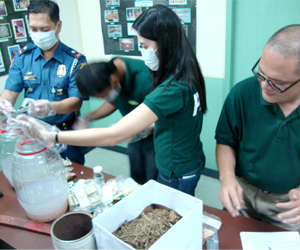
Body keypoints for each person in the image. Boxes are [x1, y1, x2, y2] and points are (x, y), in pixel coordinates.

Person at [12, 5, 207, 196]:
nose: (142, 51)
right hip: (182, 157)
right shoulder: (183, 71)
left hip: (177, 167)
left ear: (165, 43)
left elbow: (113, 135)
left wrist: (51, 135)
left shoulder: (171, 87)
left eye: (145, 46)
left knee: (171, 212)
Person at [215, 25, 300, 231]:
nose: (264, 86)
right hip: (242, 192)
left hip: (289, 204)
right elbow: (226, 141)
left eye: (277, 83)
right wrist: (226, 178)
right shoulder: (242, 93)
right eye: (261, 73)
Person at [0, 0, 87, 164]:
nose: (38, 34)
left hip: (65, 134)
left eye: (44, 29)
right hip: (32, 134)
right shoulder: (22, 57)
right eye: (34, 29)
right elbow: (10, 92)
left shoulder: (75, 60)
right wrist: (3, 103)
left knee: (71, 177)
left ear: (58, 26)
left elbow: (76, 102)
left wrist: (50, 107)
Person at [73, 57, 157, 184]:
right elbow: (112, 102)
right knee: (137, 179)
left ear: (113, 80)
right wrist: (89, 117)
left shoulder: (146, 79)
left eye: (103, 96)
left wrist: (135, 131)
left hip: (156, 141)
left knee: (154, 181)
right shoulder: (110, 74)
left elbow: (162, 118)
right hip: (133, 139)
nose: (104, 99)